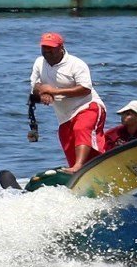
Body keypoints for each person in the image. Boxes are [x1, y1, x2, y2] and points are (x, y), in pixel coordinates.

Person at [29, 32, 105, 171]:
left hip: (88, 106)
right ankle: (80, 173)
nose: (47, 51)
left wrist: (54, 91)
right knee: (69, 146)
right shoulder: (39, 63)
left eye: (51, 48)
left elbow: (85, 89)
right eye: (44, 47)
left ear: (61, 47)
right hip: (64, 116)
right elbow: (35, 87)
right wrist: (43, 94)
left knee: (81, 128)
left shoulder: (76, 64)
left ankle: (78, 166)